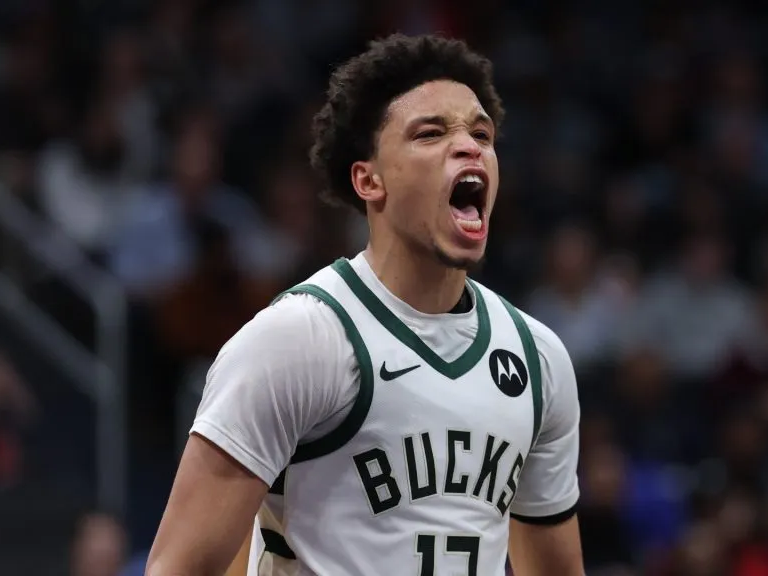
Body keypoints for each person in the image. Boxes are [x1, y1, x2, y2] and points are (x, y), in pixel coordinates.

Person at [145, 33, 584, 576]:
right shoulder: (299, 338)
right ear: (368, 179)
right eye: (431, 133)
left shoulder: (538, 358)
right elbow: (178, 567)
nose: (470, 146)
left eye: (481, 133)